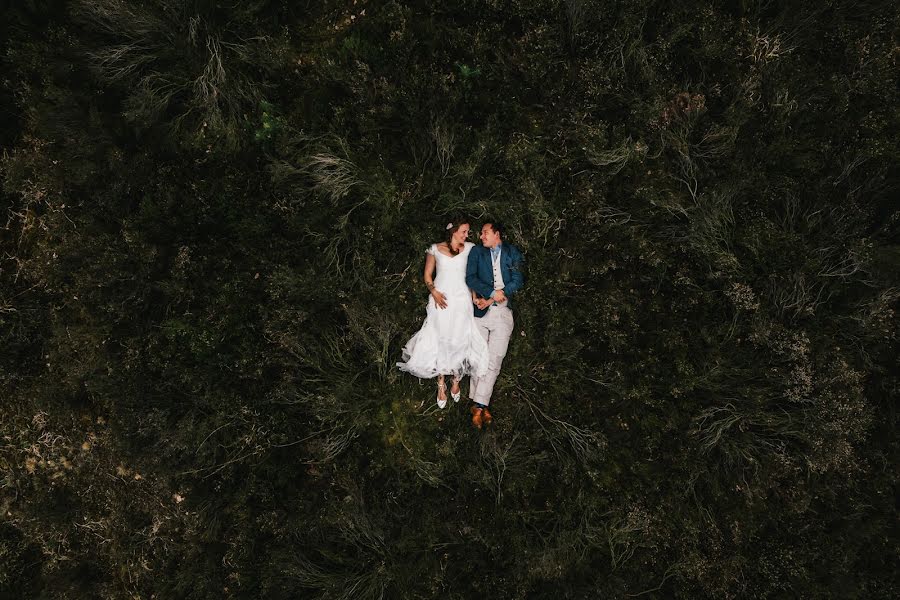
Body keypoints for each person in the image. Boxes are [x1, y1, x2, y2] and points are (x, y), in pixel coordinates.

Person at [397, 219, 490, 408]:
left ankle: (456, 378)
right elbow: (427, 276)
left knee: (459, 337)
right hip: (441, 300)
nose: (466, 235)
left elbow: (471, 275)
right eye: (464, 232)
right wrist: (434, 291)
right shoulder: (434, 249)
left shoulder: (470, 248)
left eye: (467, 232)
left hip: (461, 299)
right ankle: (441, 382)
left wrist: (474, 295)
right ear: (454, 232)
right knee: (441, 337)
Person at [465, 220, 524, 428]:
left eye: (485, 233)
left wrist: (494, 297)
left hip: (503, 313)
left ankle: (478, 404)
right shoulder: (477, 254)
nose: (481, 236)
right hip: (480, 312)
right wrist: (488, 295)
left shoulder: (512, 252)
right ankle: (481, 405)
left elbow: (518, 281)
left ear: (497, 234)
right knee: (479, 358)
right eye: (482, 233)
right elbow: (471, 278)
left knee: (495, 359)